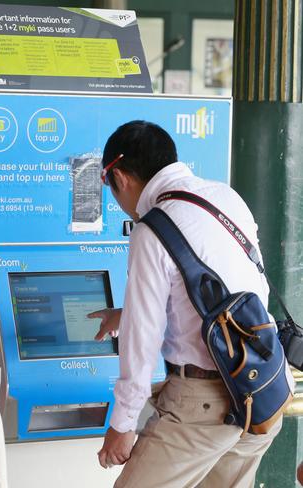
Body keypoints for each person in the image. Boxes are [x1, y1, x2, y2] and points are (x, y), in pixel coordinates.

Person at [89, 120, 293, 487]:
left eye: (108, 185)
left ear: (118, 177)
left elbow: (141, 343)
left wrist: (121, 425)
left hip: (203, 407)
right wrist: (128, 314)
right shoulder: (225, 198)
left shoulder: (151, 230)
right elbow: (238, 288)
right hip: (261, 389)